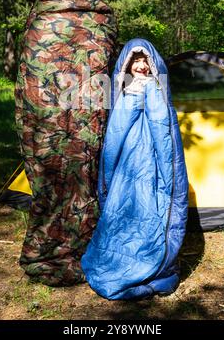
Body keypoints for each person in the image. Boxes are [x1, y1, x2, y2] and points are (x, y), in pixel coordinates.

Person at [15, 0, 118, 286]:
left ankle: (85, 245)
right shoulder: (39, 18)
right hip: (46, 120)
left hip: (87, 119)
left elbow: (106, 66)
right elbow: (30, 74)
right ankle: (46, 247)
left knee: (85, 178)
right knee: (51, 180)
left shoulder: (100, 15)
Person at [81, 38, 189, 300]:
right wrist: (133, 96)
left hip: (152, 159)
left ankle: (151, 255)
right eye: (135, 61)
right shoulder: (122, 90)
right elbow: (116, 131)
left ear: (153, 64)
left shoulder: (159, 88)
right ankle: (120, 254)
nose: (140, 66)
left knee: (151, 203)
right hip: (127, 165)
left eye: (144, 61)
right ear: (126, 66)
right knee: (123, 204)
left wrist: (149, 93)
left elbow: (165, 130)